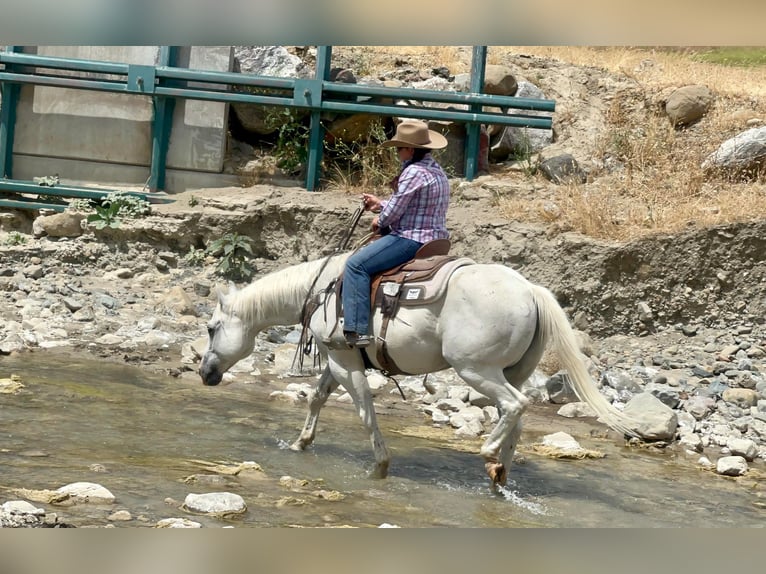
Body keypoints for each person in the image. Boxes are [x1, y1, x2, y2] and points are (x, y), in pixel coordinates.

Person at [341, 119, 451, 348]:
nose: (397, 153)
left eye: (399, 148)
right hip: (436, 238)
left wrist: (379, 218)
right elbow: (411, 203)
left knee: (356, 266)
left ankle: (358, 331)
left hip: (411, 238)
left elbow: (394, 214)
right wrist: (381, 203)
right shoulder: (435, 169)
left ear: (410, 149)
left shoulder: (413, 172)